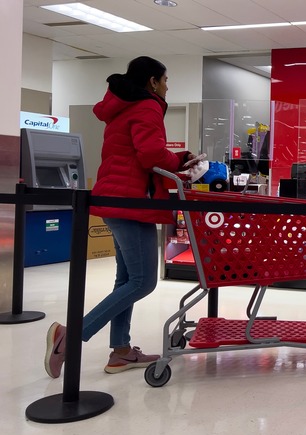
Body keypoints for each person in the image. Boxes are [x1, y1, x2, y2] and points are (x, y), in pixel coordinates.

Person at [44, 56, 199, 378]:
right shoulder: (148, 106)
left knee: (126, 279)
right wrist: (183, 159)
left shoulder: (121, 107)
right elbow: (151, 155)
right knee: (143, 282)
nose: (168, 86)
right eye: (166, 79)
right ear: (153, 81)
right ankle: (69, 336)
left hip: (116, 197)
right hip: (133, 201)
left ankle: (121, 351)